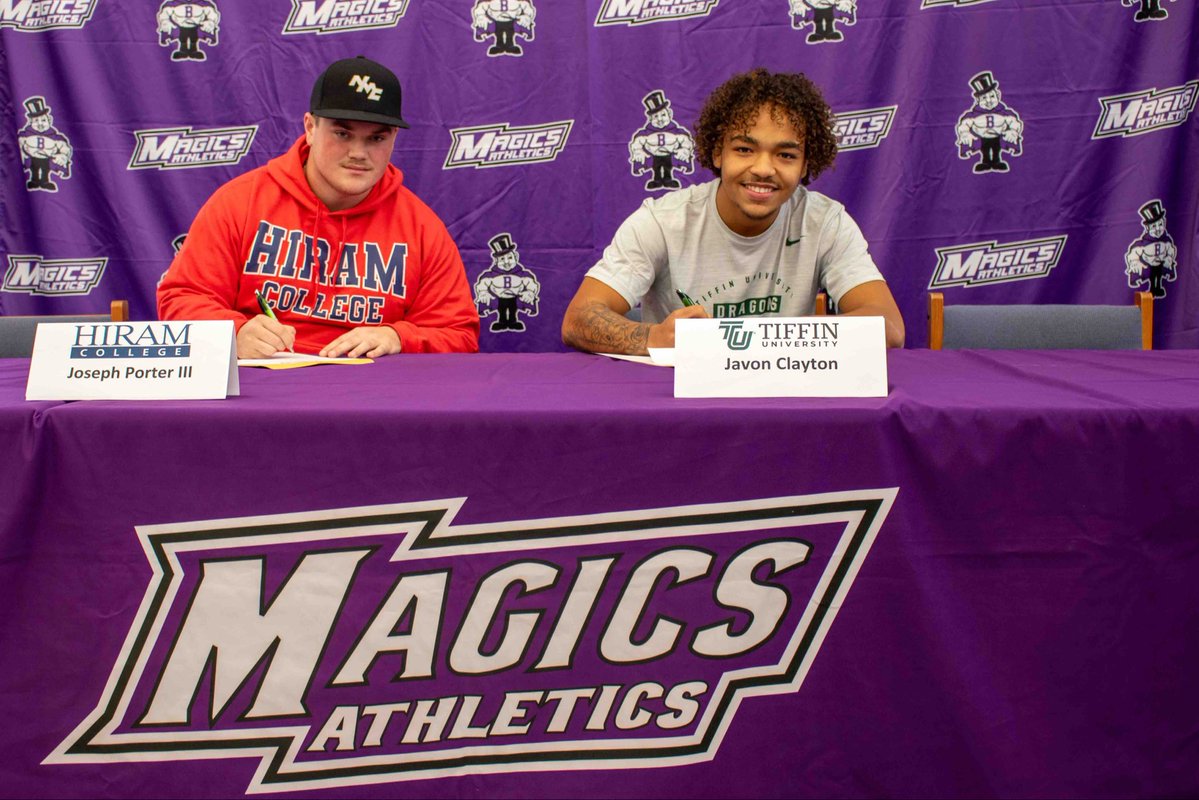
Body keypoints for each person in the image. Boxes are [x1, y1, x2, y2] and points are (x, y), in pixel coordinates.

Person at [561, 68, 904, 355]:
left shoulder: (825, 221)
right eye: (744, 149)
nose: (763, 169)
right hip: (682, 406)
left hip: (785, 397)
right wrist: (655, 337)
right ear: (716, 153)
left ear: (805, 164)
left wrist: (798, 338)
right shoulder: (662, 221)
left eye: (785, 155)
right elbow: (579, 319)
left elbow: (888, 326)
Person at [158, 56, 479, 358]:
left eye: (376, 139)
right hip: (262, 393)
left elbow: (458, 334)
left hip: (371, 398)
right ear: (310, 128)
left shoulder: (420, 227)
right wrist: (235, 333)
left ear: (394, 137)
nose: (358, 153)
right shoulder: (241, 202)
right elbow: (181, 299)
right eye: (342, 133)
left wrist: (399, 337)